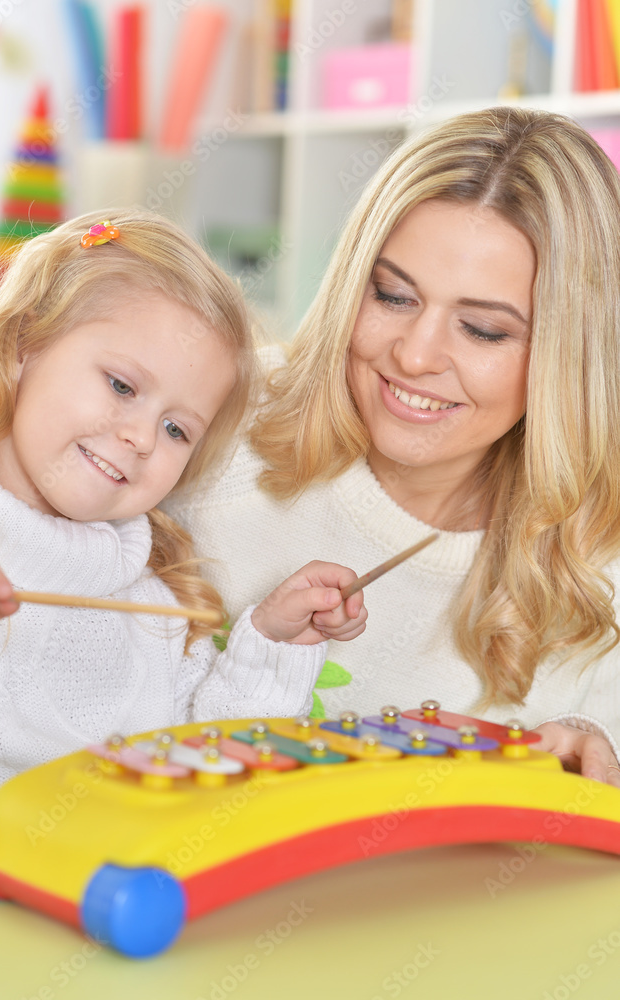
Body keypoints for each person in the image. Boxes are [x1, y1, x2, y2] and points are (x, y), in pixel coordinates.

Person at [164, 106, 620, 785]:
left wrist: (592, 741)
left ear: (572, 357)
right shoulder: (209, 412)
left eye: (484, 331)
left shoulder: (598, 560)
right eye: (392, 295)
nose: (414, 355)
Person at [0, 210, 367, 817]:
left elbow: (207, 767)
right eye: (122, 386)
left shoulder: (156, 603)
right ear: (24, 344)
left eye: (177, 429)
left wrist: (272, 646)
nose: (143, 439)